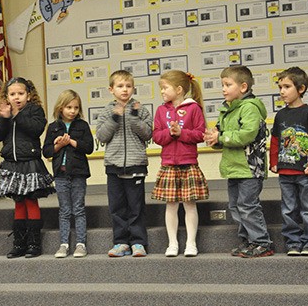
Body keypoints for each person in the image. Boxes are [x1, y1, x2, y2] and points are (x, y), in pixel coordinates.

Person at [204, 66, 273, 258]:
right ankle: (247, 240)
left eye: (228, 84)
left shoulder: (250, 107)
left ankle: (261, 242)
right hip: (233, 167)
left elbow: (246, 135)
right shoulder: (227, 109)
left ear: (243, 87)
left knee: (248, 206)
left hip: (250, 168)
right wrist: (213, 138)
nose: (223, 89)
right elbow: (222, 134)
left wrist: (221, 137)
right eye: (222, 85)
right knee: (235, 207)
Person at [0, 77, 55, 259]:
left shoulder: (34, 110)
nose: (16, 97)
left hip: (29, 162)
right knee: (18, 202)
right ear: (6, 96)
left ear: (29, 95)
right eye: (12, 94)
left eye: (20, 93)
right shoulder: (6, 114)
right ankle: (19, 243)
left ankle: (34, 243)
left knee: (30, 201)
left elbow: (36, 129)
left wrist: (18, 114)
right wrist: (4, 118)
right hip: (12, 164)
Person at [152, 70, 209, 257]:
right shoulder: (161, 110)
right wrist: (170, 133)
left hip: (188, 163)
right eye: (161, 88)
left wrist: (181, 133)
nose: (162, 91)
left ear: (178, 89)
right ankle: (172, 243)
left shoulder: (194, 109)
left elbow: (200, 134)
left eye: (165, 88)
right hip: (169, 164)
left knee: (190, 204)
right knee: (171, 205)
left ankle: (191, 243)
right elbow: (157, 136)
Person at [96, 70, 153, 257]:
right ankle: (120, 242)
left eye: (128, 86)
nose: (125, 90)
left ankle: (138, 242)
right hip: (114, 165)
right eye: (120, 86)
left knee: (136, 206)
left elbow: (147, 134)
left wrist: (134, 117)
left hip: (136, 164)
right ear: (111, 89)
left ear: (133, 88)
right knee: (117, 206)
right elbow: (102, 136)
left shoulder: (140, 109)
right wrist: (114, 117)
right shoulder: (106, 111)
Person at [270, 67, 308, 256]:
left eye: (287, 86)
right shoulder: (281, 115)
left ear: (300, 89)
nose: (282, 91)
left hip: (305, 172)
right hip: (285, 171)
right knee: (288, 209)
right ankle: (293, 242)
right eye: (280, 87)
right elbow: (276, 140)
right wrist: (274, 161)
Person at [43, 90, 94, 258]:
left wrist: (70, 141)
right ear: (60, 107)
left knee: (78, 209)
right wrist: (58, 145)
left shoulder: (82, 125)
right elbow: (47, 151)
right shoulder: (53, 127)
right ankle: (63, 244)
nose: (72, 111)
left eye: (76, 107)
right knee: (64, 210)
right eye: (68, 107)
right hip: (60, 174)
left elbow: (89, 148)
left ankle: (81, 244)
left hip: (78, 173)